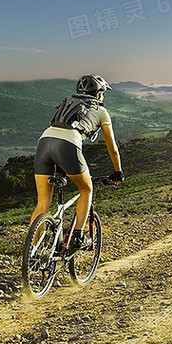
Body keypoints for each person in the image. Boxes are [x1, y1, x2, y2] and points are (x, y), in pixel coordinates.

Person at [30, 74, 122, 252]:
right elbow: (113, 148)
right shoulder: (101, 111)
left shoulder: (68, 101)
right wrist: (118, 171)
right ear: (98, 94)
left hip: (43, 142)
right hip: (68, 146)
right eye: (102, 94)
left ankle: (31, 251)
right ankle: (78, 237)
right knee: (86, 189)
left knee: (42, 204)